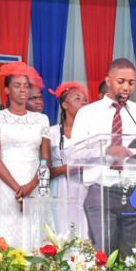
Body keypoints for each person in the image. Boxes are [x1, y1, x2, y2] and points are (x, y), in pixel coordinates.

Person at [70, 58, 136, 257]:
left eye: (131, 82)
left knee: (134, 254)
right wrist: (106, 151)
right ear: (108, 81)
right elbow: (75, 154)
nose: (126, 87)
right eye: (121, 81)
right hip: (101, 189)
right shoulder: (88, 113)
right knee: (104, 251)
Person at [0, 62, 51, 250]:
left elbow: (46, 159)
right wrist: (18, 190)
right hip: (7, 184)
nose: (23, 90)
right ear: (6, 89)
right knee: (8, 233)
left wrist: (31, 186)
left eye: (26, 86)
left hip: (34, 182)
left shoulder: (41, 119)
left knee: (34, 233)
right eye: (17, 85)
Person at [48, 81, 90, 237]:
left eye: (85, 99)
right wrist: (63, 169)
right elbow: (43, 169)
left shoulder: (91, 133)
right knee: (61, 231)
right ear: (65, 105)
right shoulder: (52, 133)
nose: (83, 103)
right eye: (77, 99)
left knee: (82, 232)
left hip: (84, 187)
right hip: (59, 188)